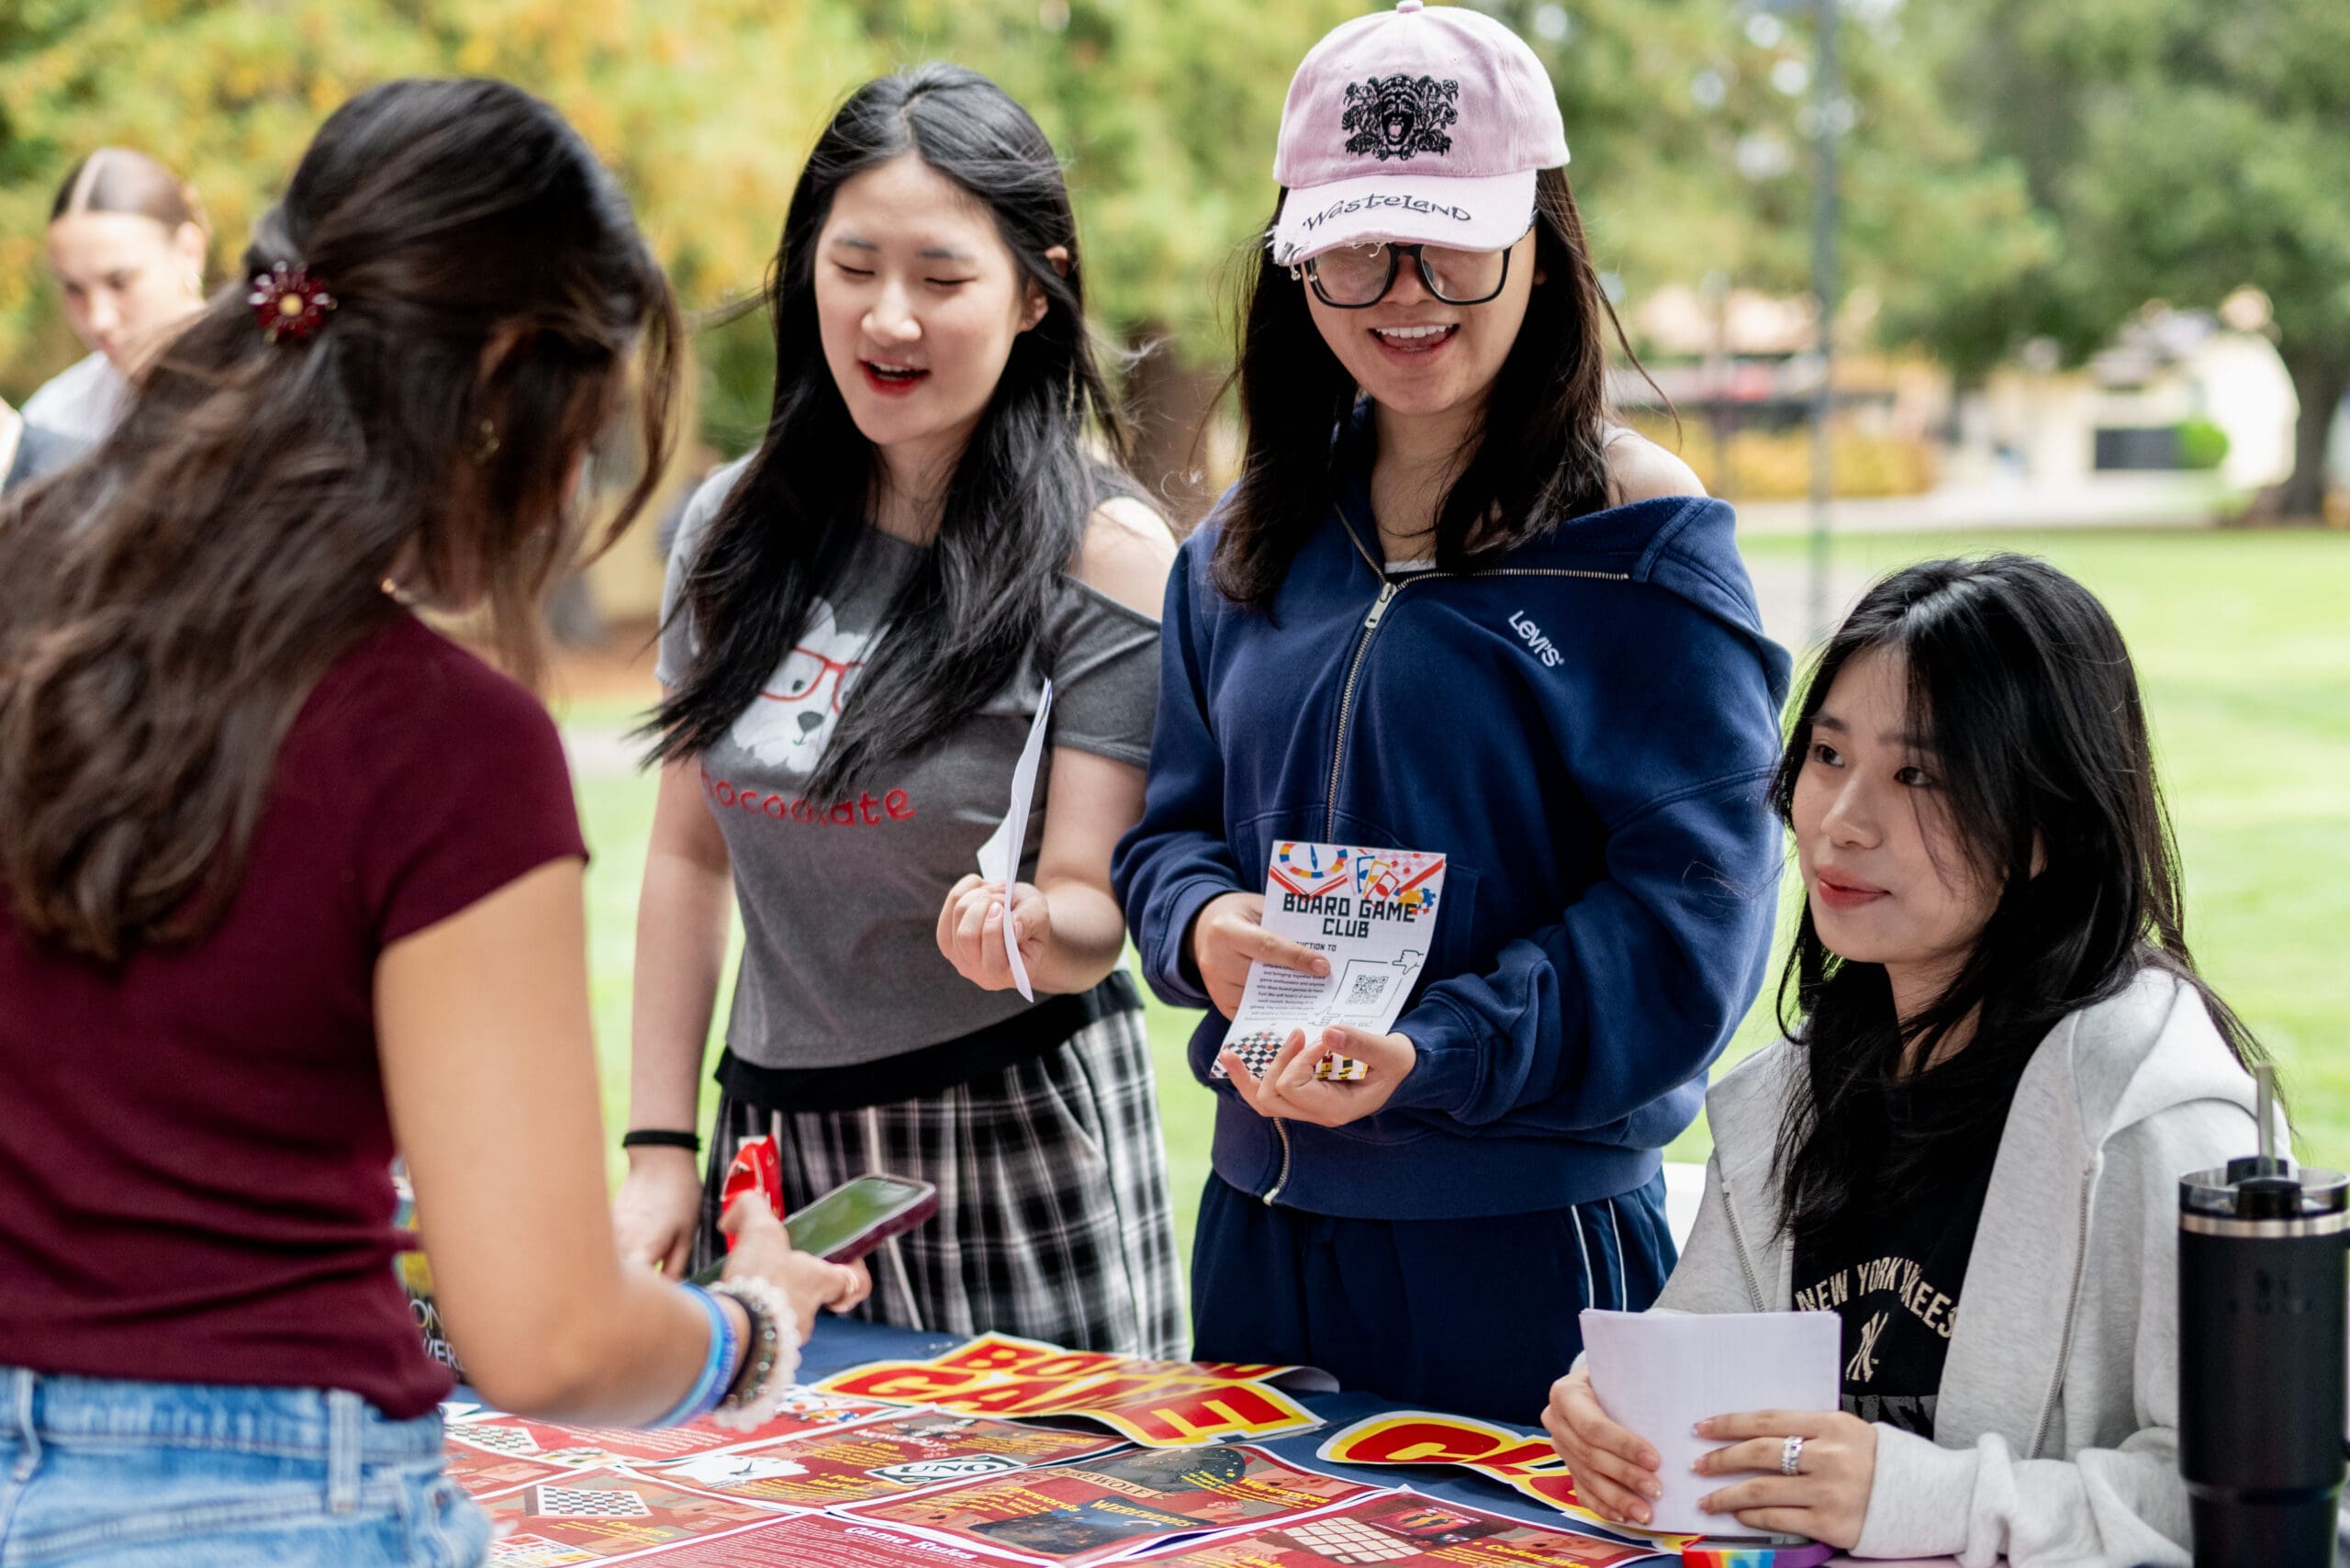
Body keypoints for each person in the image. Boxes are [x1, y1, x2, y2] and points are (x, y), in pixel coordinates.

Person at [0, 79, 864, 1567]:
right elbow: (544, 1333)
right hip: (270, 1497)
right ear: (511, 374)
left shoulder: (31, 597)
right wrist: (752, 1324)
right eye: (585, 430)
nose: (570, 489)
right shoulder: (441, 743)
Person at [1111, 0, 1789, 1424]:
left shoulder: (1635, 537)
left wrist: (1438, 1052)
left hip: (1524, 1246)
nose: (1403, 292)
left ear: (1542, 239)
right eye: (1354, 247)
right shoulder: (1238, 545)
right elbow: (1166, 835)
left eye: (1451, 243)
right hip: (1260, 1231)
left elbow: (1696, 920)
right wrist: (1203, 925)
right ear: (1295, 259)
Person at [613, 64, 1186, 1359]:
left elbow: (1092, 906)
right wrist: (657, 1151)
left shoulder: (1105, 556)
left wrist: (1031, 929)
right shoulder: (731, 530)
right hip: (773, 1153)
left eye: (941, 277)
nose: (888, 316)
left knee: (1048, 1494)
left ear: (1034, 293)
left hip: (1015, 1141)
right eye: (854, 266)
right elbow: (687, 855)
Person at [1542, 556, 2271, 1566]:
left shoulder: (2155, 1119)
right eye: (1828, 755)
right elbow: (1707, 1383)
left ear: (2045, 825)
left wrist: (1917, 1495)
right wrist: (1615, 1409)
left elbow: (2245, 1499)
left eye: (1916, 775)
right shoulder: (1784, 1098)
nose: (1841, 822)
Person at [5, 148, 211, 488]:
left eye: (120, 282)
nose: (98, 319)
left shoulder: (271, 385)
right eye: (73, 288)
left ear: (190, 252)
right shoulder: (56, 415)